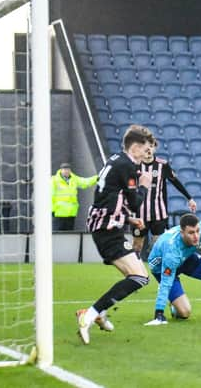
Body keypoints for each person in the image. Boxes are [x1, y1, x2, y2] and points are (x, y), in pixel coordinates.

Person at [76, 125, 154, 345]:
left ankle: (99, 313)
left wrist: (128, 219)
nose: (147, 154)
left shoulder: (115, 160)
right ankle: (90, 314)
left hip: (107, 225)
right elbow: (135, 202)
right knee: (140, 278)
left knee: (135, 276)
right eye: (146, 149)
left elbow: (108, 197)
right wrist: (145, 186)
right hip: (107, 229)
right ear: (136, 147)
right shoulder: (127, 166)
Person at [132, 138, 196, 260]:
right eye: (146, 146)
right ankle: (135, 273)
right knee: (136, 246)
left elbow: (175, 182)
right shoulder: (135, 165)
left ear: (154, 148)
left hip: (158, 214)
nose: (149, 149)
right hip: (139, 214)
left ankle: (157, 271)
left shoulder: (162, 165)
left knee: (158, 246)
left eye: (151, 146)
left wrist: (189, 198)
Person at [51, 163, 98, 231]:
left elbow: (85, 182)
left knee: (69, 236)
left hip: (71, 213)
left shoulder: (74, 179)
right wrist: (52, 210)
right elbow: (50, 196)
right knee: (58, 235)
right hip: (59, 214)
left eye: (68, 169)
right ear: (61, 170)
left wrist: (97, 177)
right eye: (64, 169)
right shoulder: (54, 180)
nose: (66, 171)